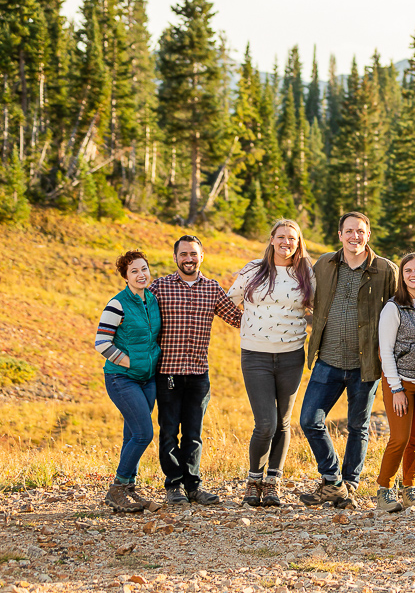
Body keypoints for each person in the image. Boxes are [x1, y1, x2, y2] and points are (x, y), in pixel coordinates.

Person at [299, 212, 399, 509]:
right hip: (327, 361)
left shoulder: (385, 270)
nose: (355, 236)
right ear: (340, 234)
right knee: (309, 421)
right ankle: (333, 481)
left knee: (359, 426)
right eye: (349, 231)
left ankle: (350, 485)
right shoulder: (324, 264)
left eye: (360, 231)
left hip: (365, 365)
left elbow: (398, 310)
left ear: (368, 235)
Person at [227, 219, 315, 508]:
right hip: (255, 356)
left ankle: (272, 484)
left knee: (283, 423)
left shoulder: (306, 274)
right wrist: (249, 325)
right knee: (265, 422)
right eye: (281, 237)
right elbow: (230, 301)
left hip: (291, 356)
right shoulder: (254, 269)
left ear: (298, 242)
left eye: (292, 238)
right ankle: (253, 482)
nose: (286, 242)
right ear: (272, 239)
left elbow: (318, 308)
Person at [148, 235, 243, 505]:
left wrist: (269, 312)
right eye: (184, 254)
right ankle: (173, 486)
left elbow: (236, 318)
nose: (188, 259)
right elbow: (141, 317)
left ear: (202, 256)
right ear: (175, 257)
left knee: (194, 433)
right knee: (168, 431)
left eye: (193, 254)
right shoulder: (160, 287)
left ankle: (194, 486)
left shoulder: (212, 289)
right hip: (167, 373)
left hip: (199, 374)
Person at [96, 249, 162, 512]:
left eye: (144, 269)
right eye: (134, 271)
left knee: (131, 434)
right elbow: (101, 342)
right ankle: (116, 489)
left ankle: (129, 490)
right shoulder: (117, 304)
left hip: (148, 380)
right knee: (144, 433)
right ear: (125, 277)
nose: (140, 274)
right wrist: (131, 363)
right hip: (121, 378)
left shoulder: (152, 301)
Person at [373, 253, 415, 513]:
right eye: (408, 270)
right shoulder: (393, 307)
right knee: (399, 437)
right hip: (400, 382)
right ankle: (384, 490)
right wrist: (396, 388)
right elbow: (384, 351)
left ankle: (410, 489)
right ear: (402, 275)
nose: (414, 275)